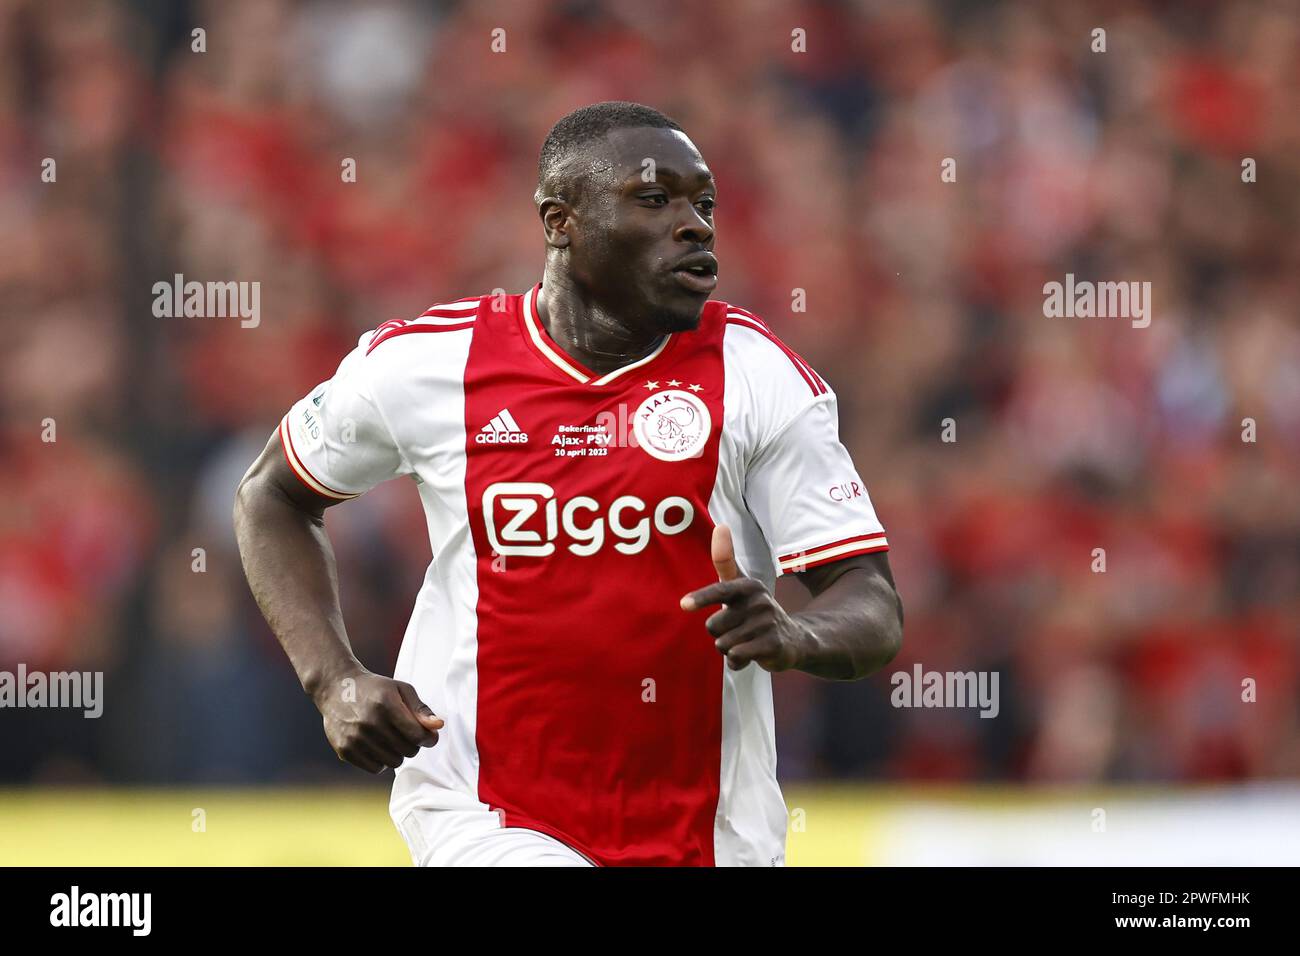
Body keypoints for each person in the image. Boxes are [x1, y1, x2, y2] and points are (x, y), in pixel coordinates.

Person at [233, 101, 903, 866]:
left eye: (704, 204)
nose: (695, 226)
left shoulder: (755, 373)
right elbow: (273, 495)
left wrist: (795, 634)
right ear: (561, 222)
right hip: (485, 812)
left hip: (713, 835)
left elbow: (871, 600)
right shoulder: (430, 364)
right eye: (655, 200)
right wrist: (335, 681)